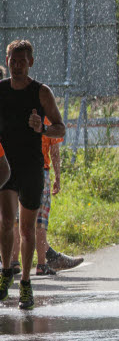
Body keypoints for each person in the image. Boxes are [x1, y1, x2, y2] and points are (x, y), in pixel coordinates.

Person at [0, 40, 66, 310]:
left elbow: (60, 128)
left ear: (31, 63)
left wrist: (43, 129)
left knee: (27, 229)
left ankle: (25, 283)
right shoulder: (0, 90)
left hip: (31, 167)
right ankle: (6, 272)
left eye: (22, 62)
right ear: (6, 61)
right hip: (5, 167)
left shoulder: (41, 92)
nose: (17, 67)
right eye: (13, 61)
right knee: (6, 222)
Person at [8, 117, 82, 275]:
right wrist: (58, 178)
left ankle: (14, 262)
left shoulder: (19, 116)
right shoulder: (48, 121)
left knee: (16, 219)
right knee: (40, 221)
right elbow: (54, 152)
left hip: (18, 171)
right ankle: (41, 264)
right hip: (41, 172)